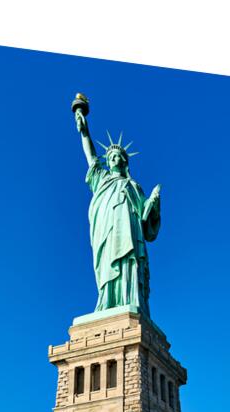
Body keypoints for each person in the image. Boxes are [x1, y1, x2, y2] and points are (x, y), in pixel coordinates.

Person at [74, 97, 161, 317]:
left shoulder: (134, 186)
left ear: (125, 161)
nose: (114, 159)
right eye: (111, 156)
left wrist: (152, 203)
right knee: (106, 263)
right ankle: (108, 301)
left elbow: (146, 222)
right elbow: (91, 157)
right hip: (106, 230)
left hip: (130, 233)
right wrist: (84, 132)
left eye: (118, 156)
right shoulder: (101, 179)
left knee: (129, 261)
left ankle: (129, 299)